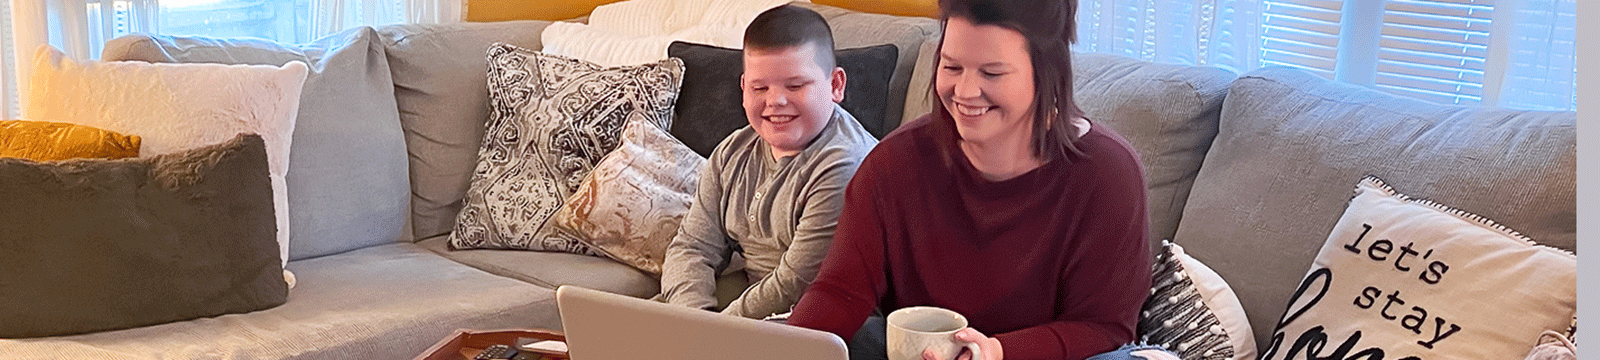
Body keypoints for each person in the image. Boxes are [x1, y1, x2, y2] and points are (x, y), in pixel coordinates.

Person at [786, 0, 1156, 359]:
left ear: (1047, 74)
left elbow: (1105, 327)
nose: (963, 92)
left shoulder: (1107, 174)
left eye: (991, 73)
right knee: (851, 339)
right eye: (951, 67)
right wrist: (783, 349)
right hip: (927, 353)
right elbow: (841, 292)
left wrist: (997, 351)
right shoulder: (895, 162)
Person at [657, 4, 878, 320]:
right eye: (761, 87)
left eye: (795, 85)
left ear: (835, 85)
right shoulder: (732, 153)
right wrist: (692, 318)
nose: (776, 100)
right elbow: (692, 247)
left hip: (824, 311)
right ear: (744, 88)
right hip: (751, 310)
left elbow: (796, 282)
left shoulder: (846, 165)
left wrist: (717, 333)